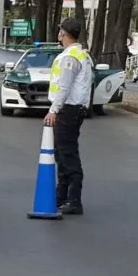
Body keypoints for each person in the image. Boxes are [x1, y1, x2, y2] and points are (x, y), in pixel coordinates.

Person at [44, 17, 93, 214]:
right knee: (61, 153)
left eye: (59, 32)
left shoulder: (71, 57)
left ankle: (73, 200)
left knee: (67, 153)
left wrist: (53, 110)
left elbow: (64, 87)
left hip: (68, 109)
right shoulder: (80, 54)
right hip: (73, 109)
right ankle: (61, 196)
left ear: (63, 33)